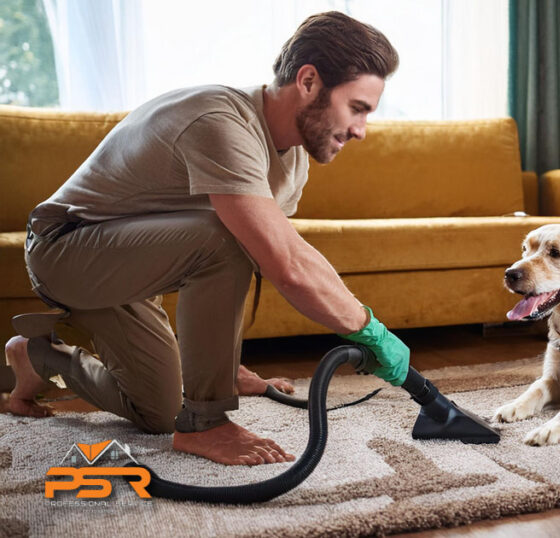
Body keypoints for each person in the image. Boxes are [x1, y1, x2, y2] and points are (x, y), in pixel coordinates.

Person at [2, 11, 409, 466]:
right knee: (225, 241)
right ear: (309, 81)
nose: (360, 131)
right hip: (65, 251)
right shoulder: (222, 122)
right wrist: (371, 329)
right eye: (357, 108)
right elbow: (284, 265)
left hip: (126, 270)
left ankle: (39, 355)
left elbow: (256, 259)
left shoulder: (293, 162)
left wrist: (221, 370)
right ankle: (208, 426)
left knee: (157, 411)